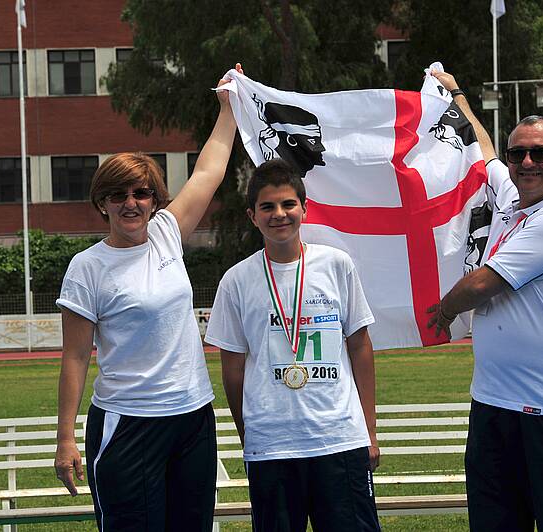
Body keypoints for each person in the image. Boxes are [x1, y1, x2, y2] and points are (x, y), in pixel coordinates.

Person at [53, 64, 241, 531]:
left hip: (192, 416)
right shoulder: (88, 267)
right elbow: (75, 357)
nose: (130, 202)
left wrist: (229, 108)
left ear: (155, 200)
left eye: (141, 193)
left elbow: (209, 170)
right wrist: (65, 439)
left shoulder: (167, 234)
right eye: (118, 194)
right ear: (102, 203)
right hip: (128, 422)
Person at [427, 70, 543, 532]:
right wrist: (456, 94)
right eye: (517, 153)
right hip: (492, 404)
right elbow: (481, 150)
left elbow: (482, 285)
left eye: (540, 153)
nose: (526, 162)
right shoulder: (511, 200)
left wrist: (443, 311)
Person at [204, 158, 381, 532]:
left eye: (288, 204)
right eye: (267, 207)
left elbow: (359, 345)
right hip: (272, 446)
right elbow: (232, 371)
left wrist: (369, 430)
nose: (279, 214)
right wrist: (250, 435)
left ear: (304, 208)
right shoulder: (236, 281)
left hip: (339, 439)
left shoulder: (336, 265)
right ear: (252, 216)